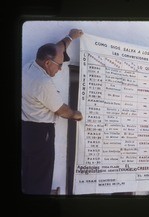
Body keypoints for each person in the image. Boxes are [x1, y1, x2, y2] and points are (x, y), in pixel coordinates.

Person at [22, 29, 84, 195]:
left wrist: (70, 37)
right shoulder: (42, 83)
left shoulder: (30, 65)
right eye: (60, 65)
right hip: (41, 134)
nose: (61, 69)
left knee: (28, 171)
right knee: (41, 175)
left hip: (26, 129)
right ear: (48, 63)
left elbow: (58, 48)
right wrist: (79, 115)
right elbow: (63, 111)